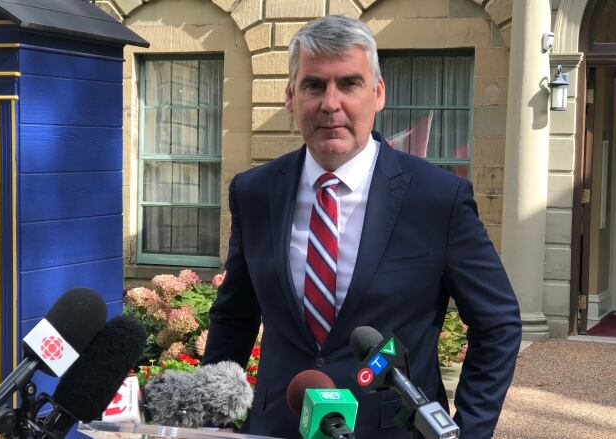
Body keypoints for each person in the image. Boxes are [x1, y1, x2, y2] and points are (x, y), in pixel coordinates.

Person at [202, 15, 521, 439]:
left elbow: (497, 323)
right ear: (290, 97)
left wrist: (469, 430)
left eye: (349, 83)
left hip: (391, 430)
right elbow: (235, 317)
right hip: (279, 424)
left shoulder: (436, 198)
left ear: (378, 93)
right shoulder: (255, 192)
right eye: (313, 85)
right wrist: (208, 418)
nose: (330, 103)